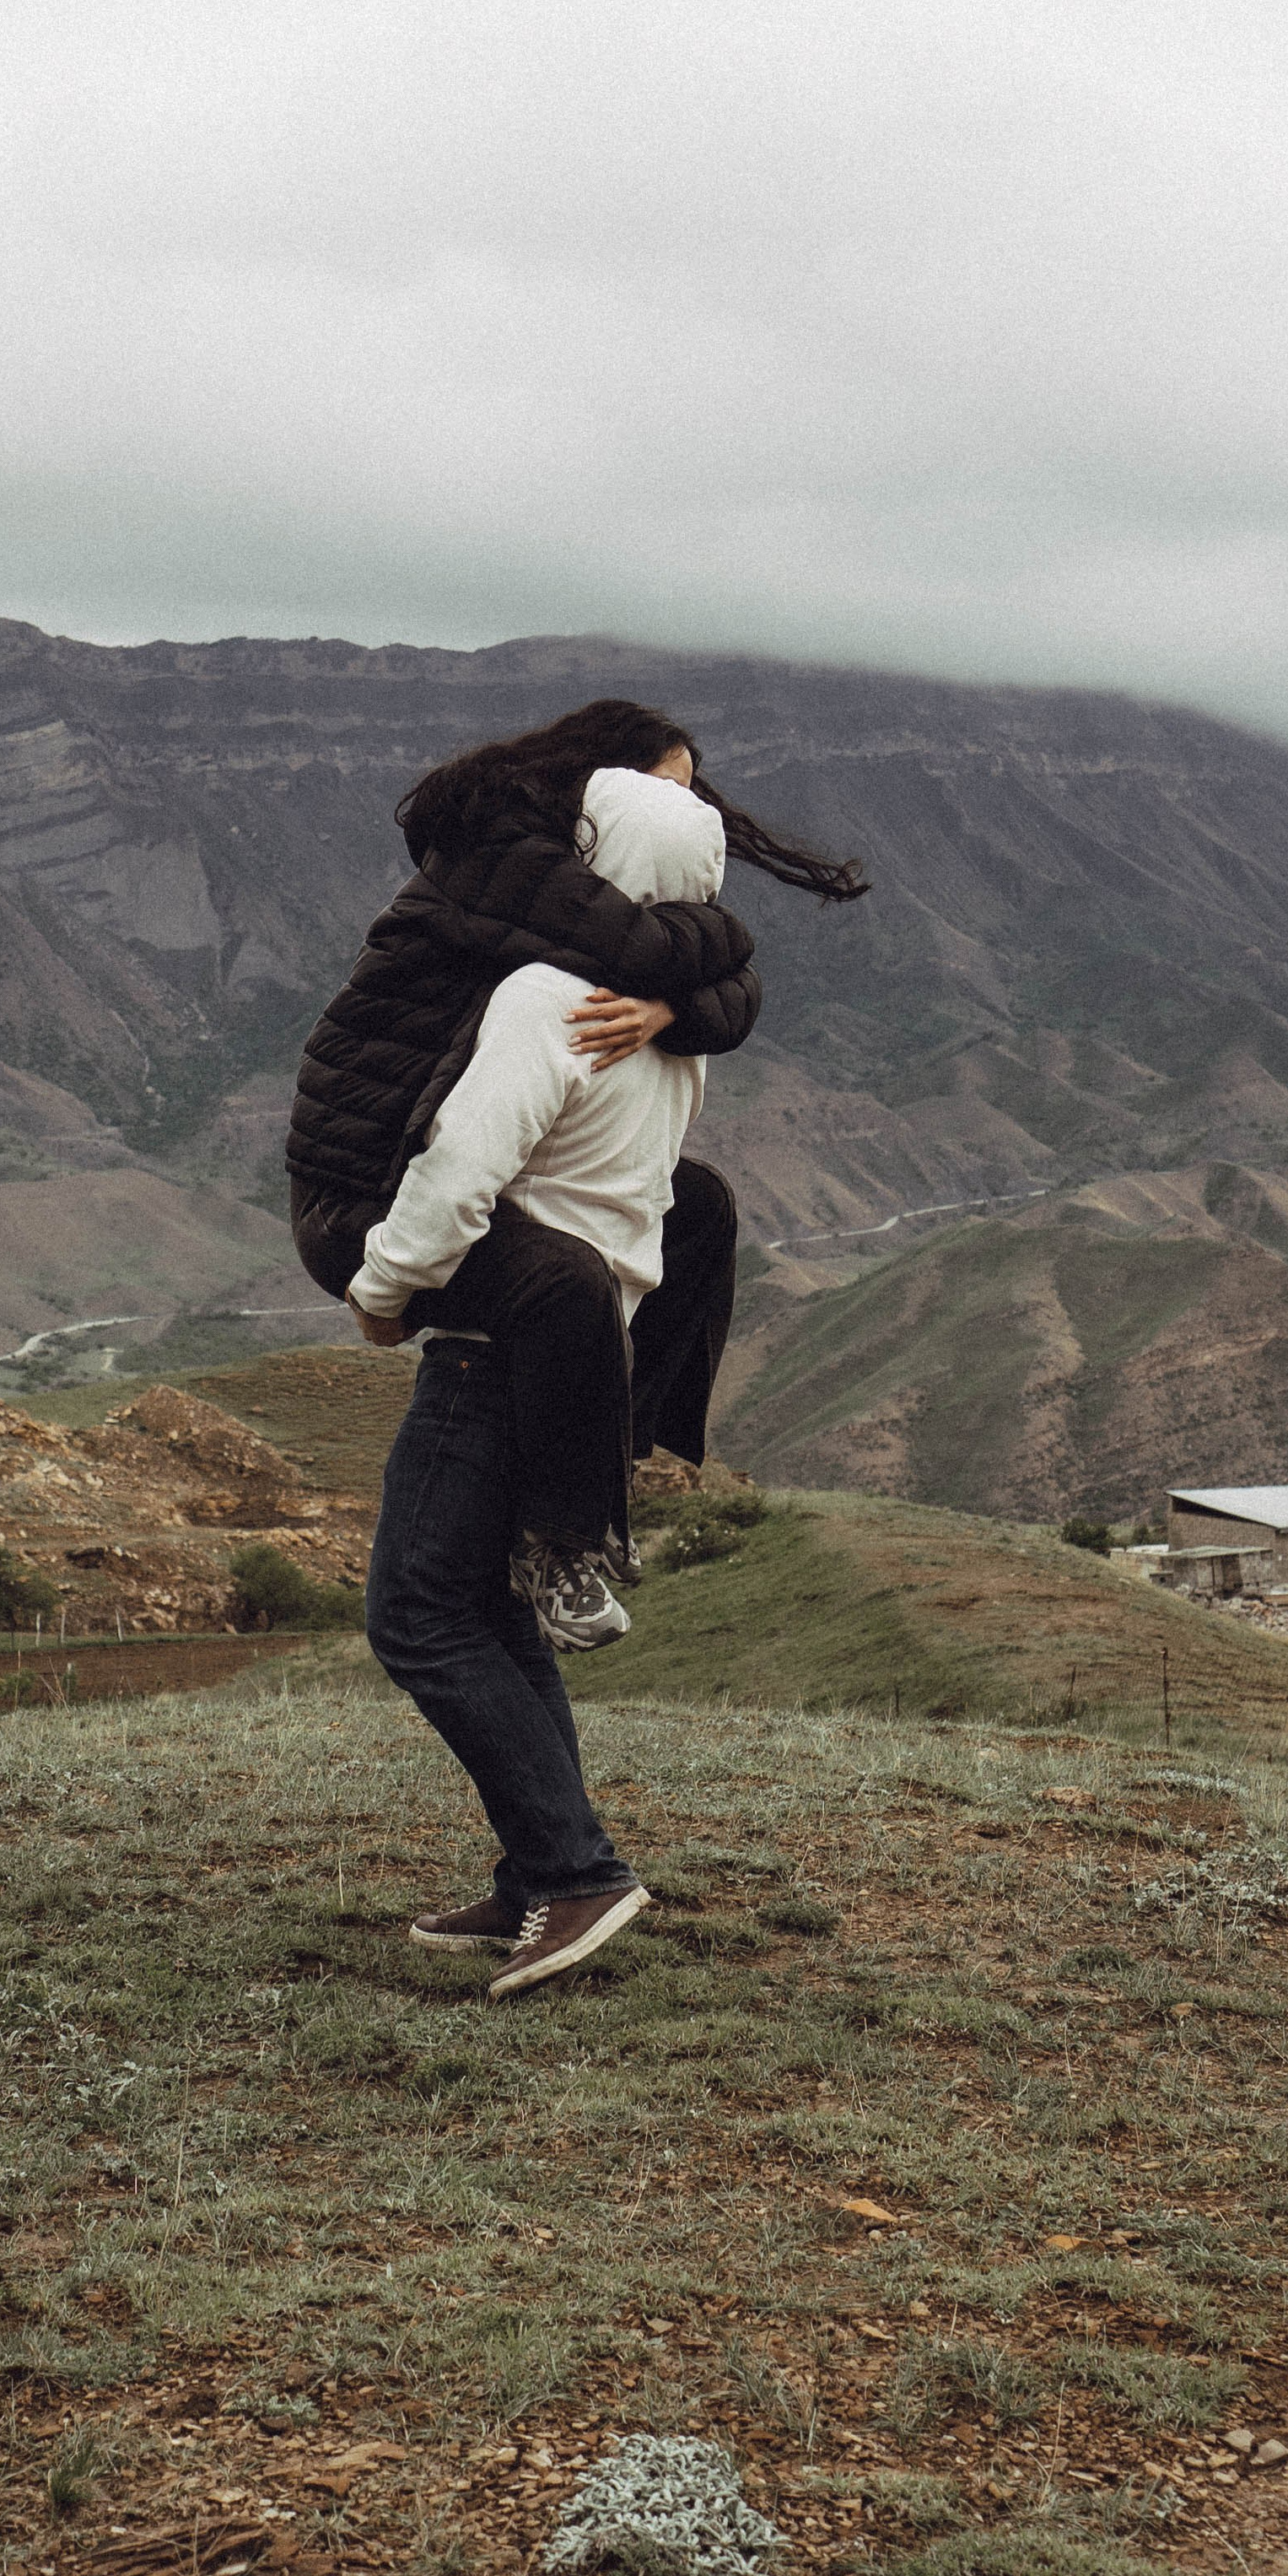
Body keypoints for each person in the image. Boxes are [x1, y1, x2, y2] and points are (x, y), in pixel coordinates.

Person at [287, 698, 865, 1641]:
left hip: (458, 1152)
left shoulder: (578, 891)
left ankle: (626, 1454)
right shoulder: (510, 858)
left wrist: (671, 1012)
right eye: (663, 795)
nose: (680, 815)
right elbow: (678, 948)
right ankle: (558, 1535)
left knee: (700, 1210)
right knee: (565, 1278)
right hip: (372, 1184)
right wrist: (382, 1289)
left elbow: (711, 979)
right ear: (598, 788)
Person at [364, 765, 731, 1995]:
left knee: (415, 1615)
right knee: (490, 1609)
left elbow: (468, 1164)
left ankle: (577, 1871)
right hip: (592, 1344)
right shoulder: (665, 1023)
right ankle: (539, 1873)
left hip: (495, 1343)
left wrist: (381, 1287)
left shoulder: (550, 994)